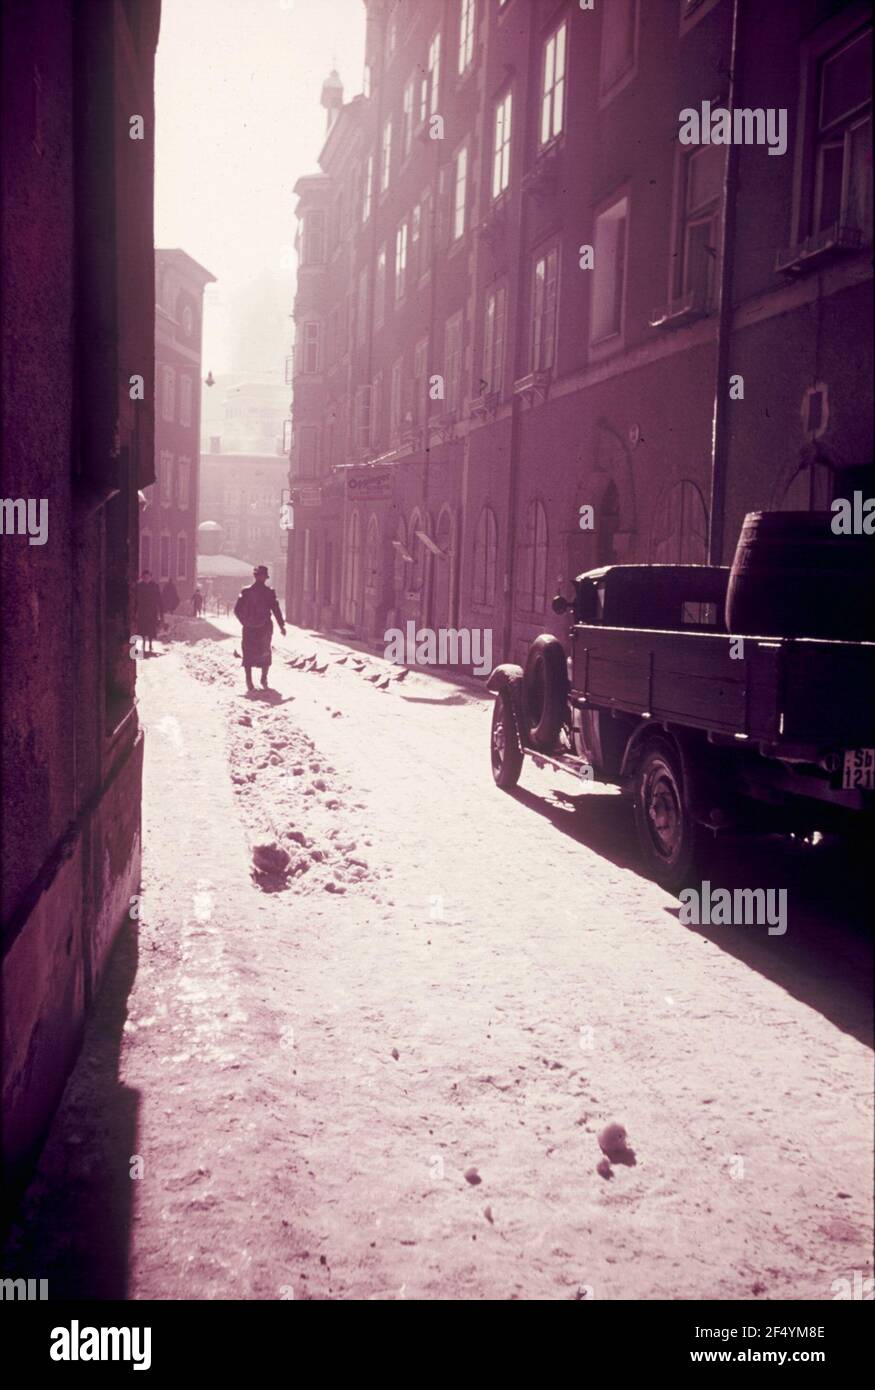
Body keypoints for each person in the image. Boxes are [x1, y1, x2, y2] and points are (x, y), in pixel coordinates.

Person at [234, 564, 286, 691]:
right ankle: (259, 679)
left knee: (251, 652)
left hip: (253, 628)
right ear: (262, 577)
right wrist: (281, 626)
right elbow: (276, 609)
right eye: (262, 576)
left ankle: (253, 680)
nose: (262, 578)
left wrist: (244, 621)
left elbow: (237, 610)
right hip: (262, 627)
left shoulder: (247, 591)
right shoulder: (267, 592)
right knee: (262, 652)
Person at [136, 570, 163, 657]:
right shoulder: (139, 586)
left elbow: (159, 599)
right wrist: (135, 611)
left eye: (148, 577)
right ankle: (143, 645)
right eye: (144, 577)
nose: (146, 579)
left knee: (151, 629)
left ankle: (150, 644)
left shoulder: (155, 586)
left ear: (151, 577)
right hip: (142, 611)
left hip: (152, 611)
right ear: (142, 577)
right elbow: (136, 599)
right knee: (143, 629)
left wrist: (160, 612)